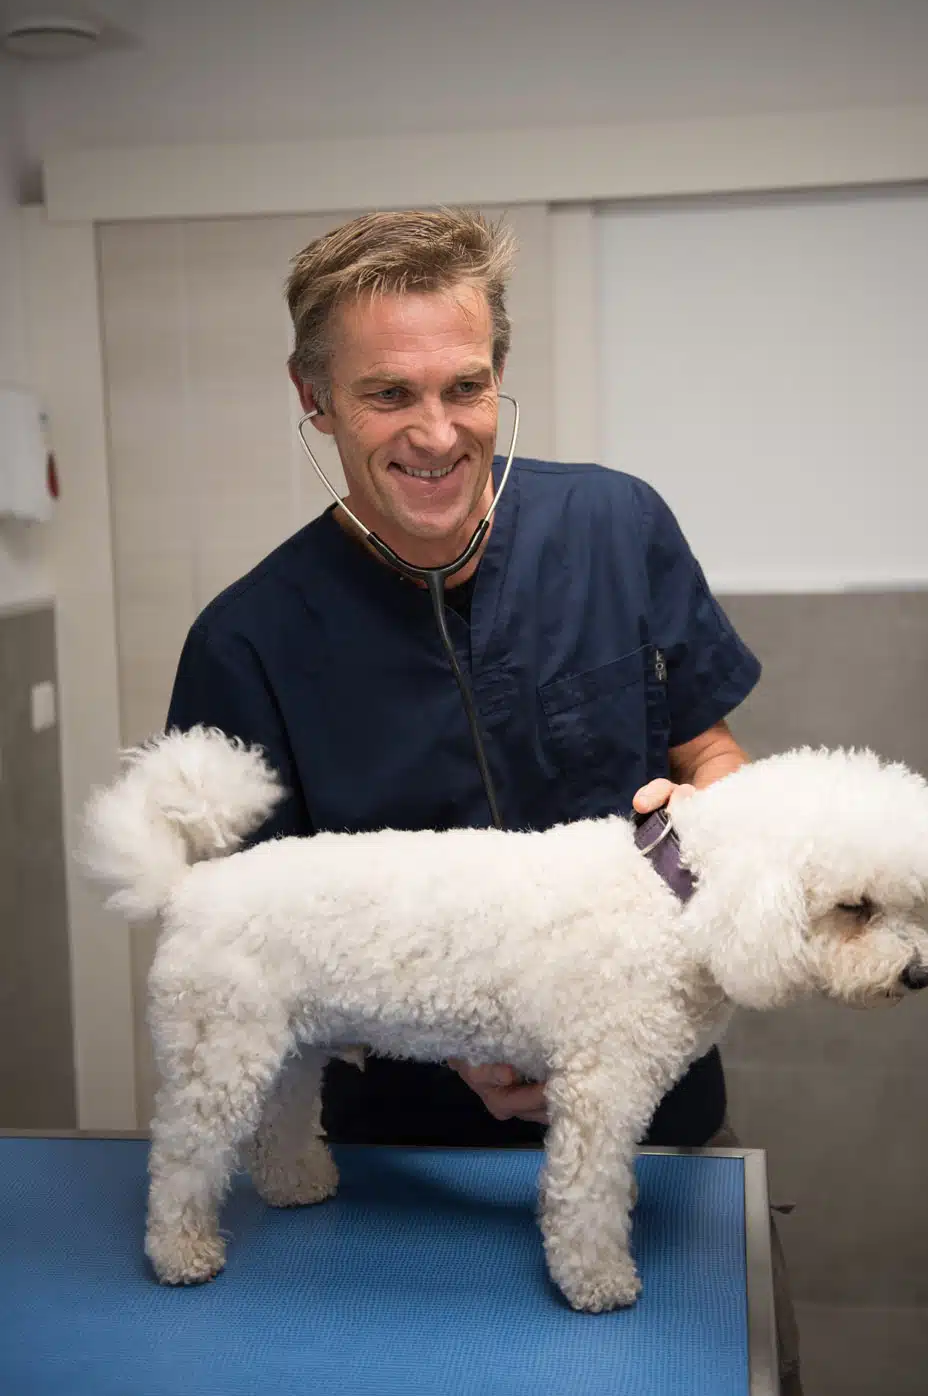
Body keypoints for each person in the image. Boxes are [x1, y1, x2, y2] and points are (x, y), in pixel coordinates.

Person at [166, 208, 800, 1390]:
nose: (435, 432)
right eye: (386, 394)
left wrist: (715, 816)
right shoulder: (245, 642)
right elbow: (250, 934)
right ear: (313, 397)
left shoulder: (617, 526)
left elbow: (712, 747)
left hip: (645, 1115)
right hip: (396, 1168)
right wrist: (468, 1038)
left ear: (499, 374)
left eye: (465, 385)